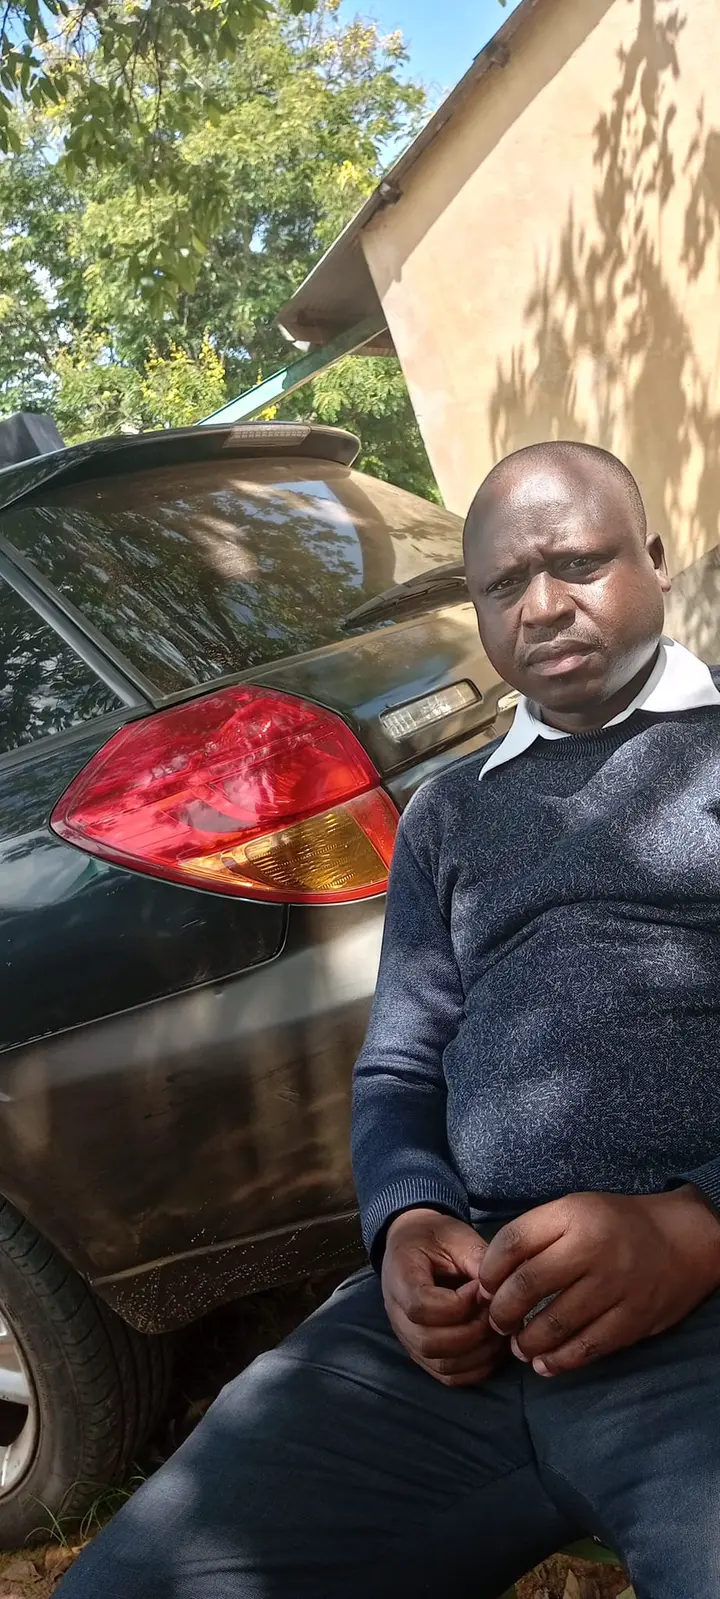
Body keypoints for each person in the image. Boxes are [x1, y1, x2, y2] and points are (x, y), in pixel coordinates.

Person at [59, 442, 720, 1599]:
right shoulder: (448, 818)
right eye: (505, 585)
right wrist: (407, 1221)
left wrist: (694, 1227)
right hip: (457, 1337)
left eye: (578, 562)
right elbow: (400, 1069)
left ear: (655, 560)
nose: (543, 605)